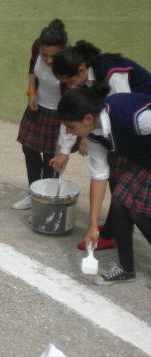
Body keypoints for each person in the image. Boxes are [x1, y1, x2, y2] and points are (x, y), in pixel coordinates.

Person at [51, 41, 151, 250]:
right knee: (120, 192)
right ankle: (110, 233)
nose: (70, 87)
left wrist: (89, 134)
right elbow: (72, 117)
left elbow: (117, 112)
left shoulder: (112, 75)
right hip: (120, 129)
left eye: (70, 81)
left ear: (81, 70)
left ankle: (114, 232)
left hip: (139, 125)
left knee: (128, 197)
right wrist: (64, 150)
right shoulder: (83, 84)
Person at [58, 85, 151, 287]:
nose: (68, 131)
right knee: (119, 202)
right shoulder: (93, 133)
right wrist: (93, 226)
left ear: (88, 118)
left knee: (138, 213)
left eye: (70, 126)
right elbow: (99, 175)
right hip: (142, 159)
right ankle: (126, 270)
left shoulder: (132, 116)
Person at [13, 19, 72, 210]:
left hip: (59, 113)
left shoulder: (71, 61)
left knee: (50, 157)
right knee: (29, 148)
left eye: (53, 56)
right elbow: (32, 67)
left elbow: (74, 97)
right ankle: (33, 192)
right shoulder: (37, 45)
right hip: (38, 107)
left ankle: (44, 199)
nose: (48, 60)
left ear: (63, 49)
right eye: (44, 55)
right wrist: (31, 92)